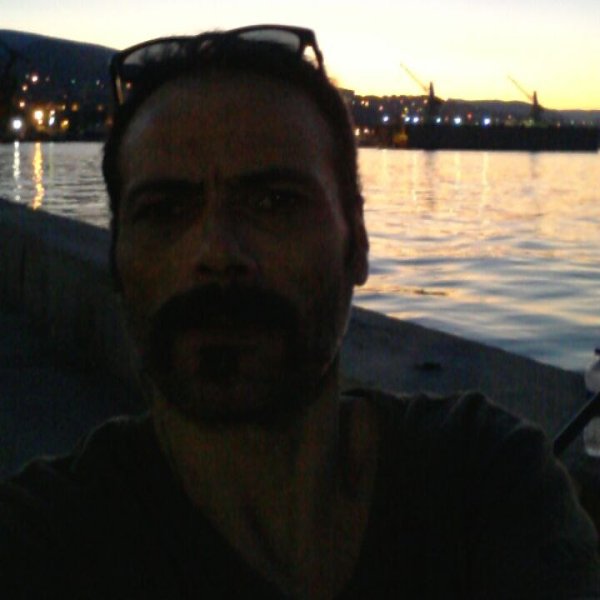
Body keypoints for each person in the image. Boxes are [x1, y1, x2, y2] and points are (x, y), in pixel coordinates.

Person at [1, 25, 599, 598]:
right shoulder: (41, 539)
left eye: (274, 202)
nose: (217, 253)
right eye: (164, 210)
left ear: (356, 242)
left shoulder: (487, 480)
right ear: (115, 259)